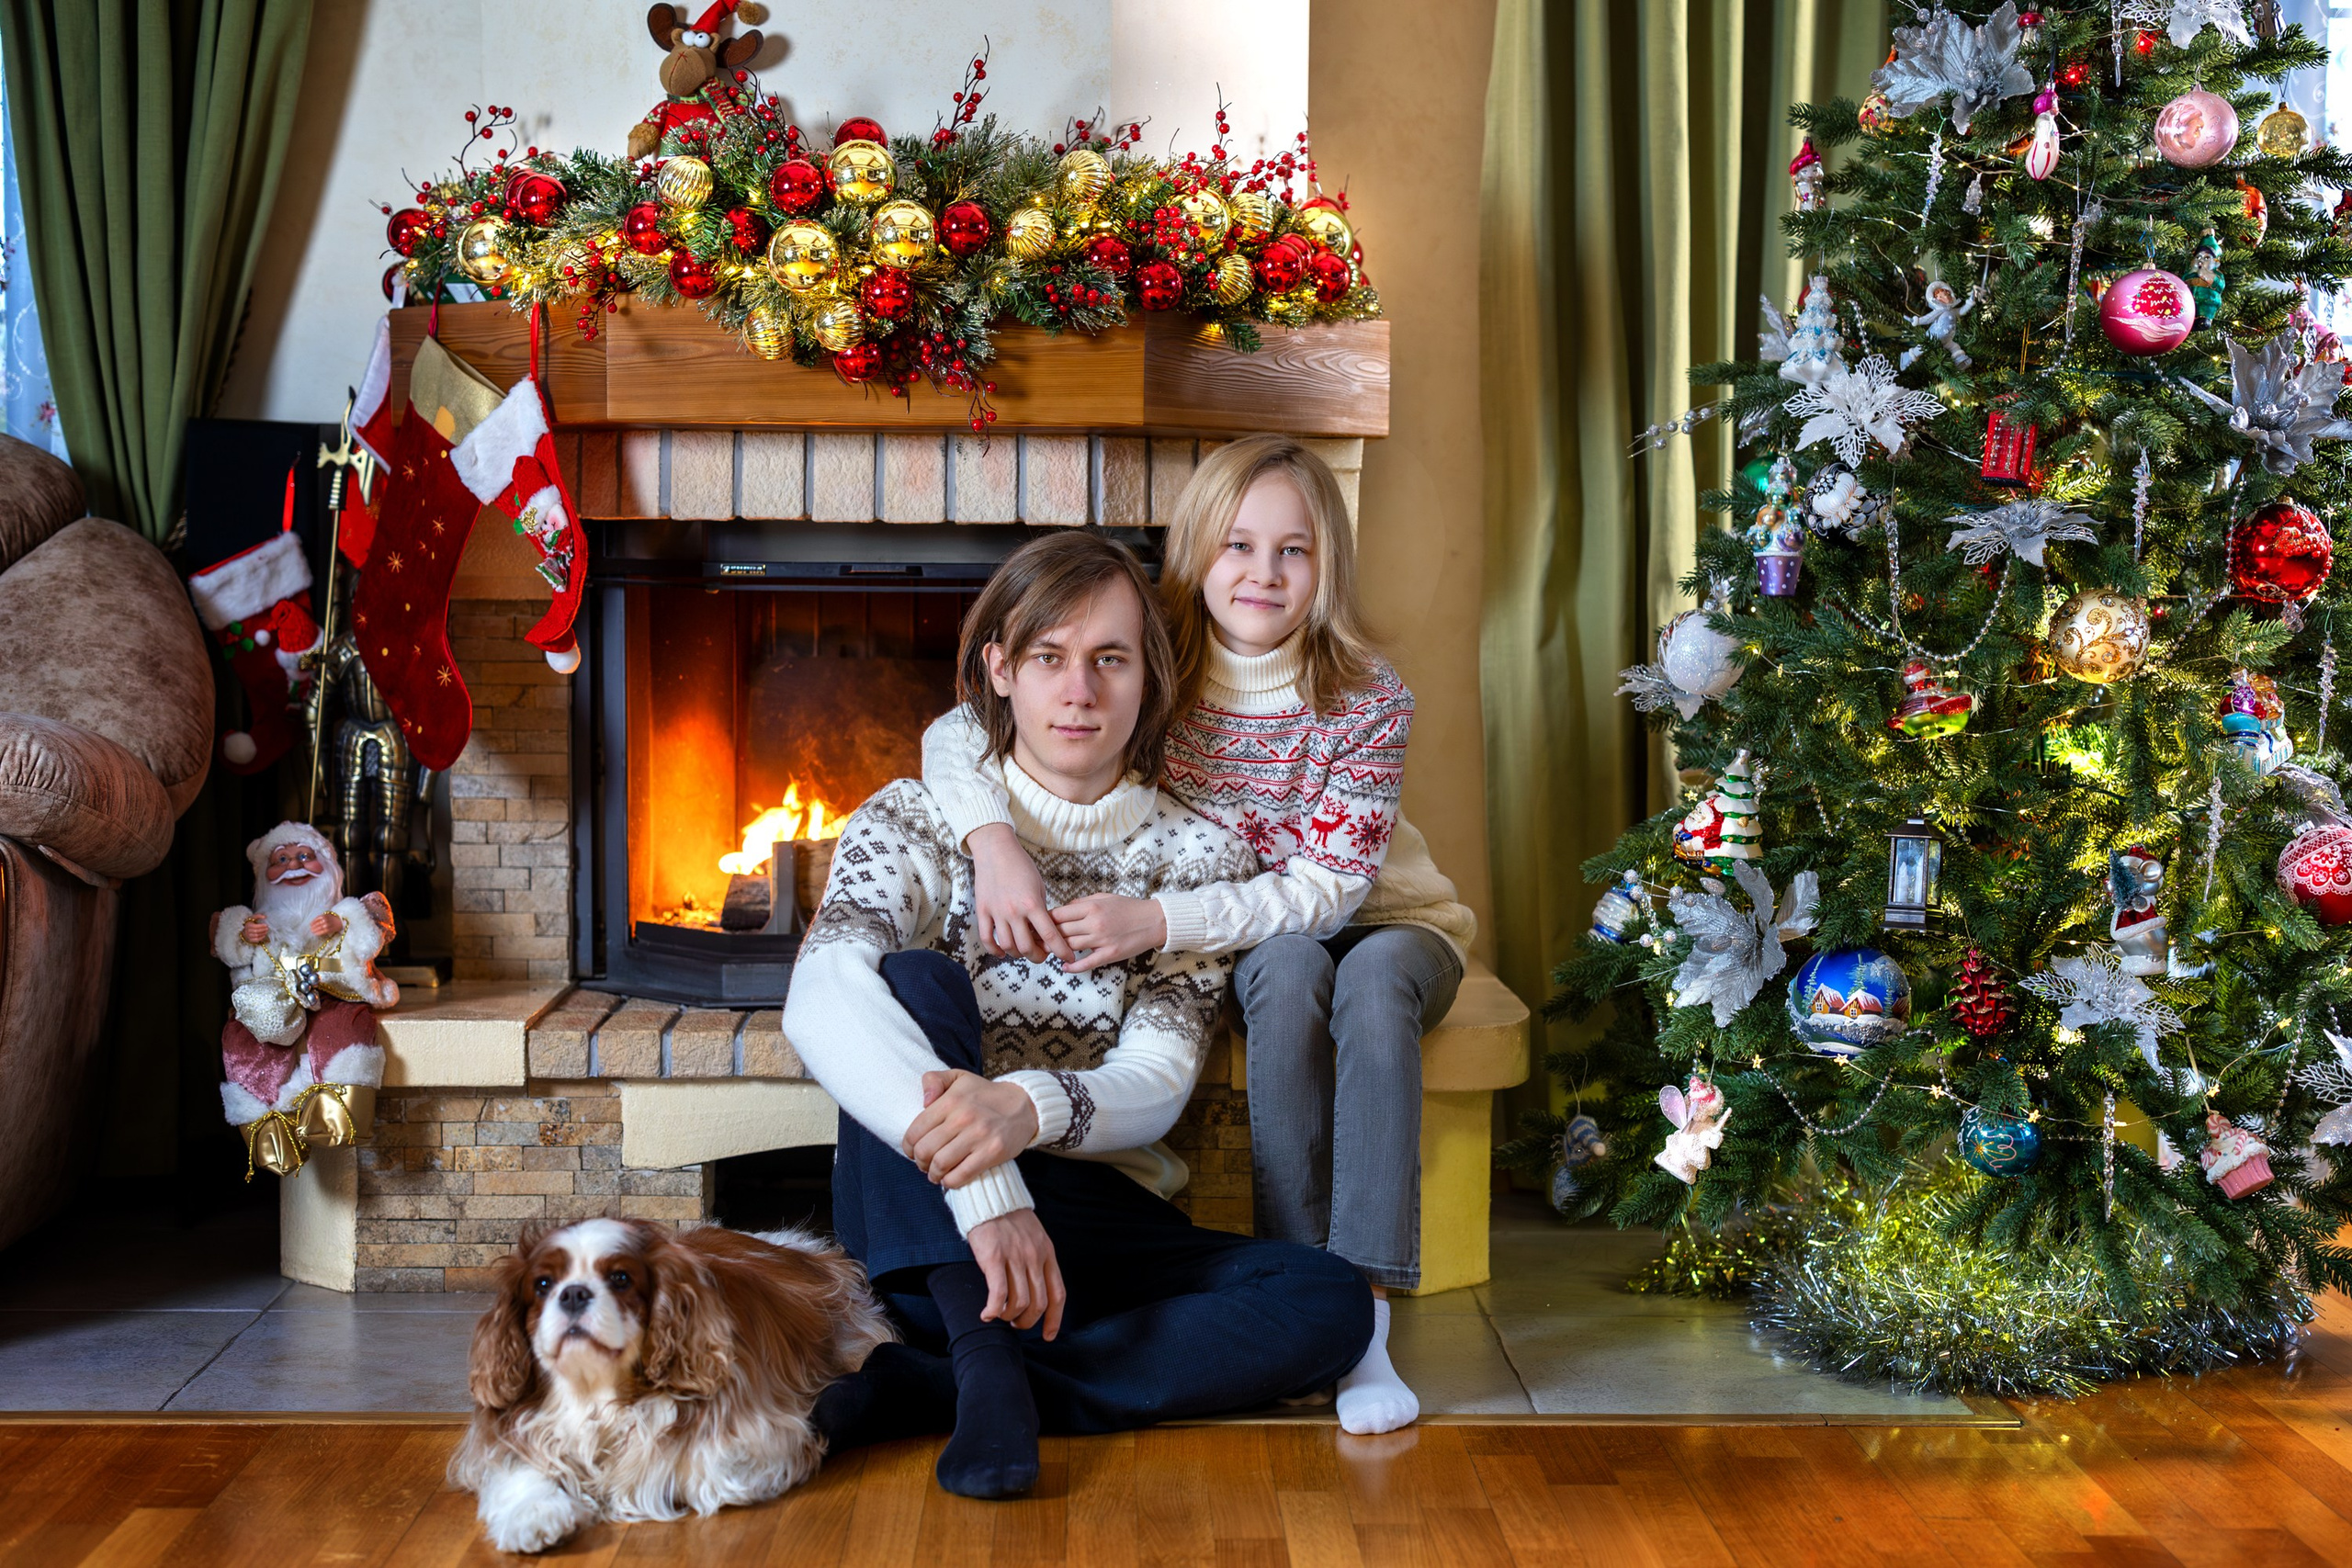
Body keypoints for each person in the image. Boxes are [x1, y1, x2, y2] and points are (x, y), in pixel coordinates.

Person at [786, 528, 1374, 1500]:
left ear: (1149, 679)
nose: (1080, 691)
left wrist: (1023, 1110)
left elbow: (1155, 1082)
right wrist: (991, 1198)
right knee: (911, 986)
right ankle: (986, 1368)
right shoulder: (913, 818)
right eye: (1049, 659)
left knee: (1326, 1300)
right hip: (929, 1213)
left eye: (1110, 659)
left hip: (1089, 1209)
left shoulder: (1194, 862)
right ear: (1000, 671)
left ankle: (950, 1378)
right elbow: (821, 998)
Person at [922, 435, 1475, 1435]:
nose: (1262, 574)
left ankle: (1372, 1315)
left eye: (1292, 551)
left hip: (1390, 918)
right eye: (1237, 545)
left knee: (1374, 976)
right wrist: (993, 841)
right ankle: (1305, 1289)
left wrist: (1156, 920)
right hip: (1267, 935)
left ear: (1326, 566)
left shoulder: (1365, 695)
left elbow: (1334, 887)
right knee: (1288, 971)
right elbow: (961, 728)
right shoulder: (1155, 665)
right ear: (1196, 553)